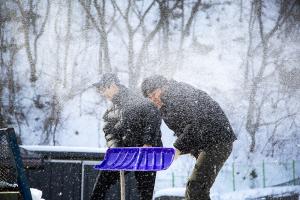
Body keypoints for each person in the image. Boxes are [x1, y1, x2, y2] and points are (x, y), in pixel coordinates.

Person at [141, 75, 236, 200]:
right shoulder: (164, 106)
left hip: (217, 140)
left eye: (154, 93)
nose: (153, 99)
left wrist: (178, 148)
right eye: (149, 97)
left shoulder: (180, 92)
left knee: (195, 188)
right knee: (193, 192)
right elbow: (162, 126)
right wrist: (150, 143)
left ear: (163, 86)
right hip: (202, 142)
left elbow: (195, 124)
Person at [90, 73, 163, 200]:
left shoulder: (136, 99)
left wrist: (148, 142)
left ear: (112, 86)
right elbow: (109, 133)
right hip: (127, 154)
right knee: (102, 183)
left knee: (145, 194)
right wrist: (116, 149)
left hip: (147, 153)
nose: (103, 94)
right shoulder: (109, 113)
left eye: (103, 89)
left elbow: (153, 116)